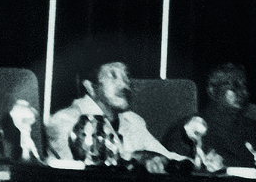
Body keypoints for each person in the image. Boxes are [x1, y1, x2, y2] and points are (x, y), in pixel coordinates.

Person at [45, 62, 178, 171]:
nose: (124, 85)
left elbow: (167, 156)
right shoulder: (65, 121)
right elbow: (82, 169)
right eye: (113, 76)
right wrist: (137, 158)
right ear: (91, 87)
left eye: (126, 77)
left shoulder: (133, 121)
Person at [165, 62, 256, 168]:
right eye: (233, 85)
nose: (241, 92)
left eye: (244, 85)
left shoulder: (253, 128)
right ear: (212, 90)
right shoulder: (189, 129)